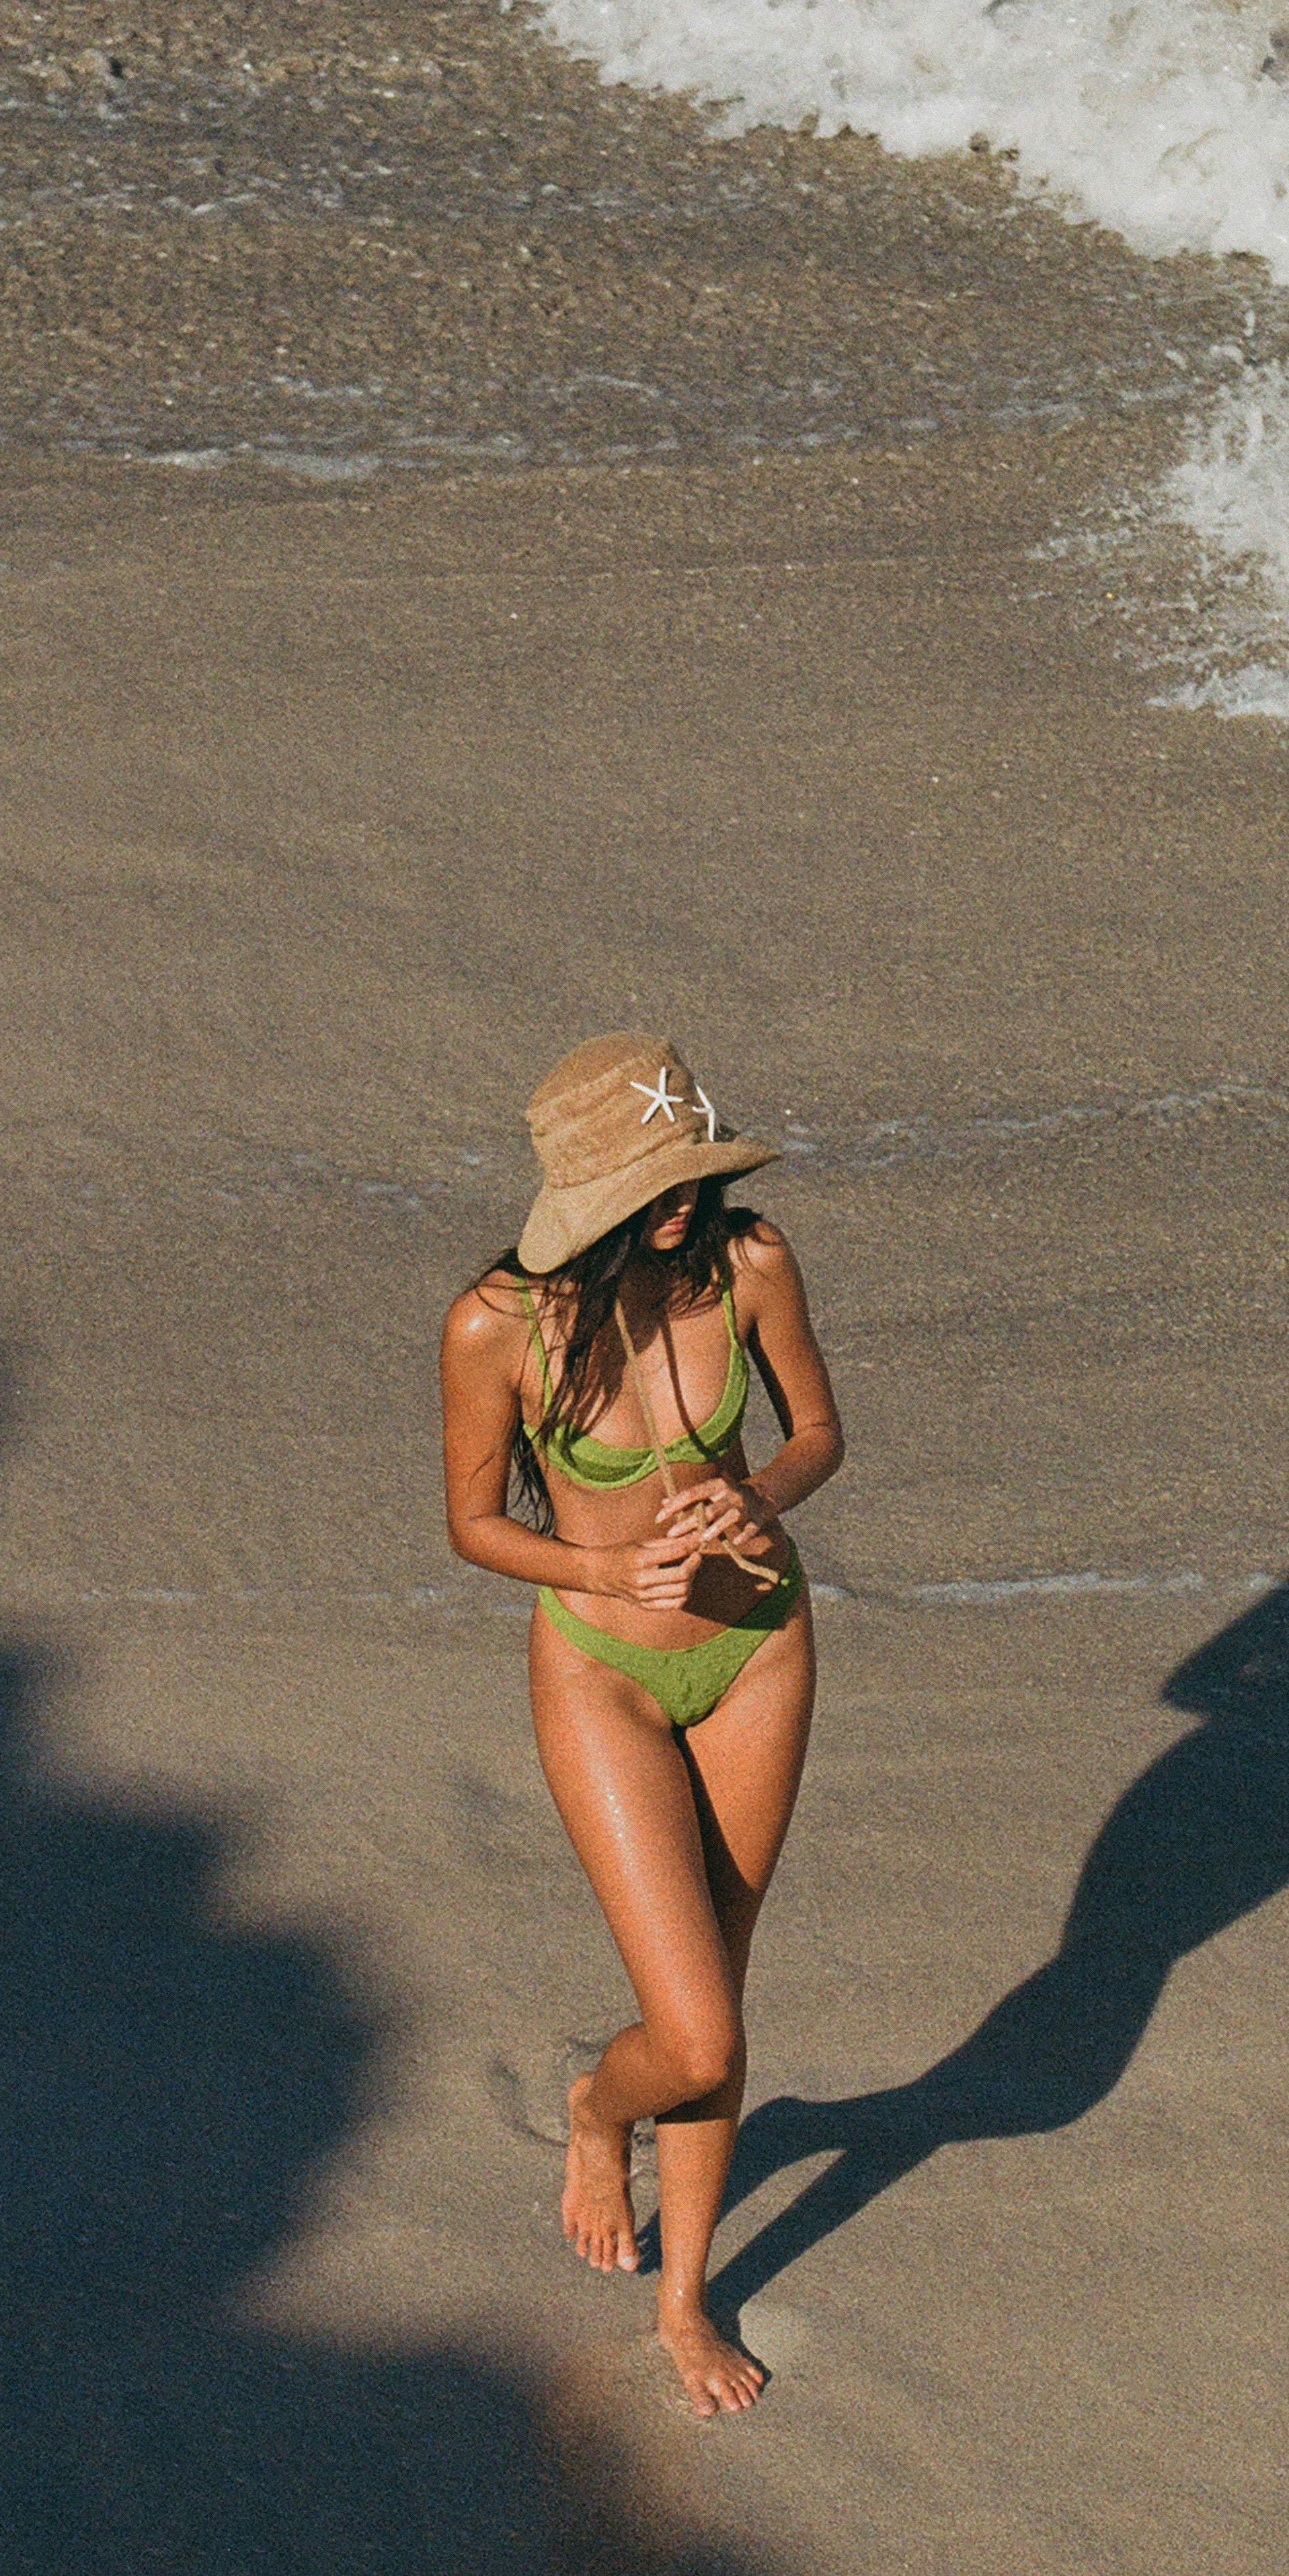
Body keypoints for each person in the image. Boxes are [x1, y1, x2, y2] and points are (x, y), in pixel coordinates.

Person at [438, 1033, 845, 2415]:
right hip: (603, 1665)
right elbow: (473, 1524)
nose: (682, 1202)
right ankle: (597, 2108)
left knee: (717, 2009)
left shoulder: (749, 1263)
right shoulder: (495, 1325)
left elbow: (816, 1433)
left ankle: (683, 2300)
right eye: (654, 1185)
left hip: (758, 1647)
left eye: (693, 1174)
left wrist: (764, 1498)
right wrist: (602, 1567)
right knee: (688, 2036)